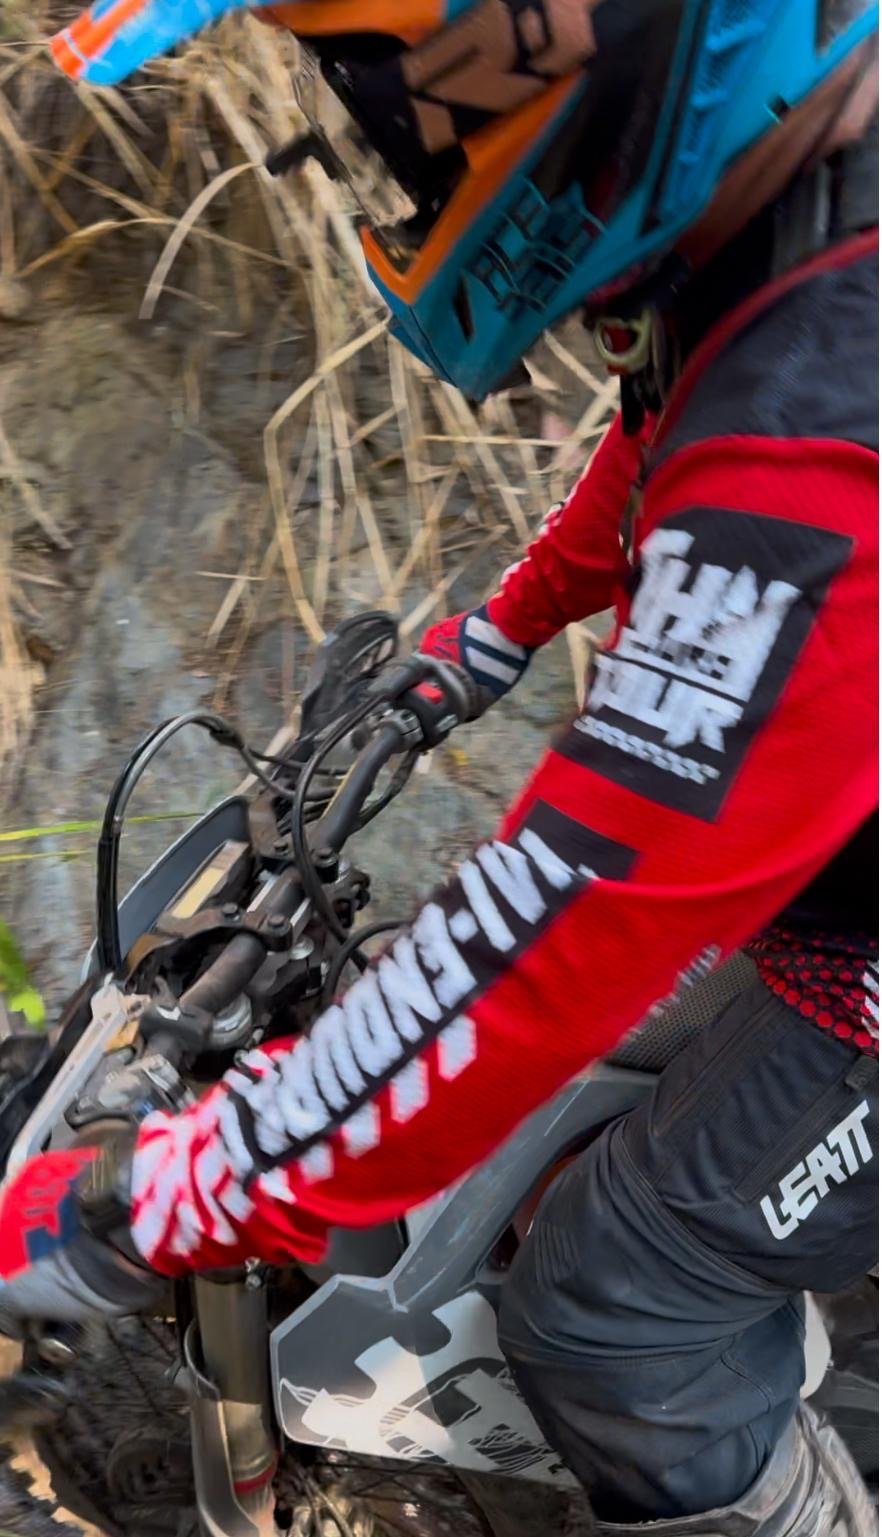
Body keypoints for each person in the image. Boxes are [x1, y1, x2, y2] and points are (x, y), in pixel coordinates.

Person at [3, 3, 878, 1532]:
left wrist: (170, 1190)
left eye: (389, 103)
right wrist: (499, 627)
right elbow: (686, 415)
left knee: (612, 1302)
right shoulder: (808, 207)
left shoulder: (816, 457)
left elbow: (560, 923)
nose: (392, 153)